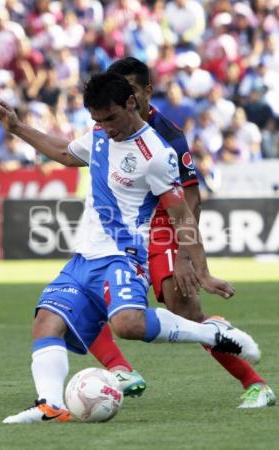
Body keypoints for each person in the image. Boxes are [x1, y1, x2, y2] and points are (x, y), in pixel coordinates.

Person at [0, 73, 259, 424]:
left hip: (124, 254)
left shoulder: (157, 153)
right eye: (97, 120)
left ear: (131, 102)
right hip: (84, 256)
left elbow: (182, 215)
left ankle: (215, 333)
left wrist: (201, 270)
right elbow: (63, 152)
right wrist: (17, 127)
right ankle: (50, 407)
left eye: (110, 118)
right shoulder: (100, 134)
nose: (105, 127)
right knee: (46, 322)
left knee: (127, 323)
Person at [105, 57, 275, 409]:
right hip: (122, 225)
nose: (124, 100)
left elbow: (191, 197)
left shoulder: (168, 135)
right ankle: (118, 368)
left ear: (147, 91)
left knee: (185, 311)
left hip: (162, 222)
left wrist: (185, 257)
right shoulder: (108, 124)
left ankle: (255, 383)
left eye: (131, 91)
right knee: (86, 298)